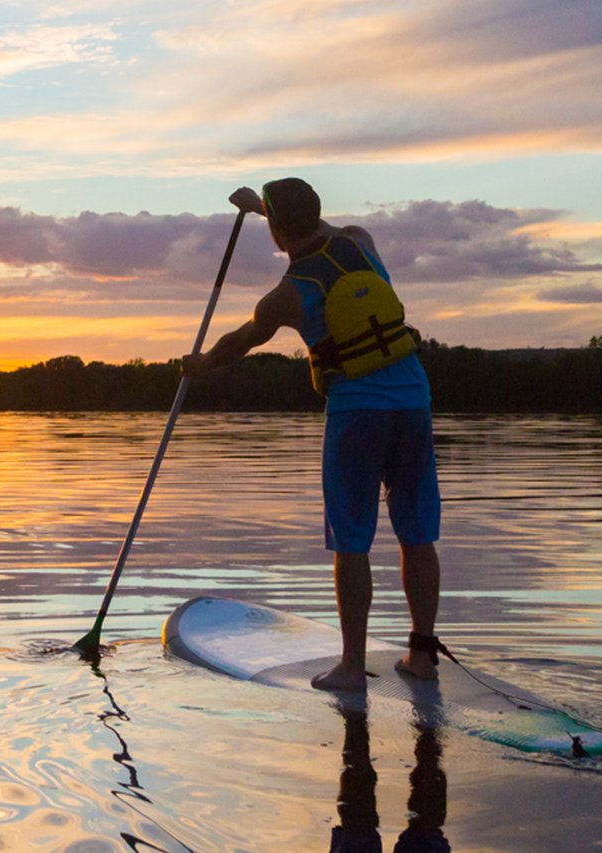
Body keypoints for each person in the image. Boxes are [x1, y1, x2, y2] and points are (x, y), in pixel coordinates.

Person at [181, 178, 444, 692]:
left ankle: (352, 668)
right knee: (417, 534)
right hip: (413, 402)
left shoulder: (286, 296)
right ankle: (422, 657)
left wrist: (201, 363)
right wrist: (262, 209)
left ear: (276, 228)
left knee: (352, 542)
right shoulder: (360, 241)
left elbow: (241, 341)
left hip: (356, 414)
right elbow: (313, 229)